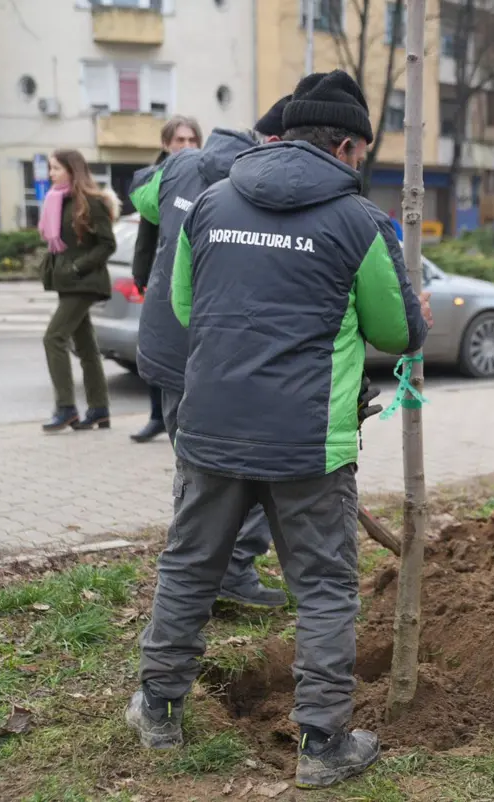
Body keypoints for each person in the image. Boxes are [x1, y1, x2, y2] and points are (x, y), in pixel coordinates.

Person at [127, 70, 432, 791]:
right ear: (349, 145)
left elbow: (182, 302)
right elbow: (396, 330)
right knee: (325, 587)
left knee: (189, 566)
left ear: (285, 133)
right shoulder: (359, 222)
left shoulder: (210, 201)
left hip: (210, 430)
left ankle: (161, 709)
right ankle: (322, 744)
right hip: (307, 442)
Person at [127, 110, 295, 609]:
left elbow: (142, 197)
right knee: (254, 472)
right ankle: (222, 575)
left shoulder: (178, 166)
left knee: (194, 471)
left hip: (166, 347)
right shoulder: (251, 186)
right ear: (273, 142)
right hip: (212, 354)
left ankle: (194, 584)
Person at [130, 115, 204, 444]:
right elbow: (146, 236)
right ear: (166, 144)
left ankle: (184, 417)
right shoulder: (156, 180)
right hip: (160, 279)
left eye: (192, 141)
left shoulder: (204, 177)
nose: (186, 147)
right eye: (179, 141)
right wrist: (140, 274)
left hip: (191, 282)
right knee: (155, 350)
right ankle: (156, 416)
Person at [38, 150, 119, 433]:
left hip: (84, 282)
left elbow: (107, 244)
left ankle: (66, 408)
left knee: (53, 338)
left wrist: (77, 268)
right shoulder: (57, 201)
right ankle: (99, 409)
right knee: (86, 347)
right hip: (66, 282)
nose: (51, 174)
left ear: (72, 170)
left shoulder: (91, 202)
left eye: (56, 168)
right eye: (50, 169)